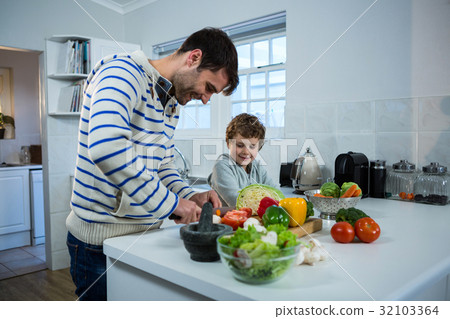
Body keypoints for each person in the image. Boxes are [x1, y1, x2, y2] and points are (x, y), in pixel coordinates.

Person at [66, 27, 238, 301]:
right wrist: (172, 204)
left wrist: (187, 195)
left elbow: (163, 164)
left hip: (142, 238)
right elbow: (107, 147)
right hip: (98, 243)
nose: (206, 99)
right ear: (193, 58)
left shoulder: (170, 103)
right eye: (208, 88)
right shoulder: (122, 73)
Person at [207, 113, 279, 207]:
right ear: (229, 143)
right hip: (226, 220)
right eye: (240, 145)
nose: (246, 152)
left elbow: (276, 193)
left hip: (251, 219)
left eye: (252, 146)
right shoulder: (222, 166)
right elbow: (236, 200)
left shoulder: (257, 168)